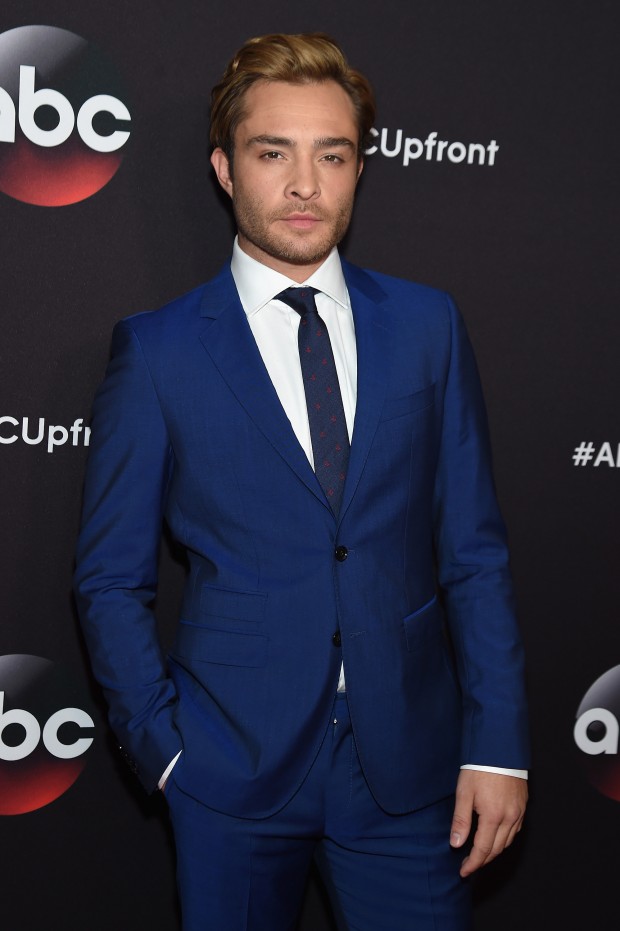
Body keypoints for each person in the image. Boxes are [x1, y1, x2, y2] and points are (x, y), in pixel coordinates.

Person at [74, 32, 529, 931]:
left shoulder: (428, 327)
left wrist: (500, 746)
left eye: (334, 154)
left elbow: (472, 553)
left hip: (408, 772)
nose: (305, 184)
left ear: (361, 168)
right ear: (224, 167)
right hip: (227, 768)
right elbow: (108, 577)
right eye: (272, 152)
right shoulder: (160, 351)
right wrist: (167, 755)